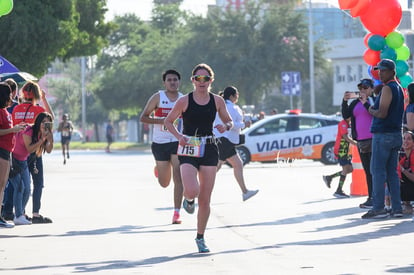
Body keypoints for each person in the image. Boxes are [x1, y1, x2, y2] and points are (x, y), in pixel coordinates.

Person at [164, 63, 233, 253]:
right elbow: (168, 121)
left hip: (209, 146)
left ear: (211, 80)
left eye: (206, 78)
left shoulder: (217, 101)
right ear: (193, 81)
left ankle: (200, 237)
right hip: (189, 146)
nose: (202, 82)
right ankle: (188, 200)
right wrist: (179, 137)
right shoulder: (184, 101)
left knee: (205, 199)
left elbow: (229, 120)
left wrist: (225, 126)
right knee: (192, 190)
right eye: (198, 78)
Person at [139, 69, 184, 224]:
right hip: (160, 143)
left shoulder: (184, 99)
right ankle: (160, 169)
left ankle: (177, 213)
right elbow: (143, 118)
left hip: (177, 141)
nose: (173, 82)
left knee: (179, 176)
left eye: (175, 79)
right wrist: (162, 121)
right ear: (164, 83)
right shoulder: (158, 97)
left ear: (179, 81)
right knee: (164, 183)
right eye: (169, 80)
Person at [362, 59, 404, 219]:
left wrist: (370, 108)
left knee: (377, 171)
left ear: (392, 72)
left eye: (384, 70)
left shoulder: (388, 88)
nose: (380, 73)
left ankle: (378, 207)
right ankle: (397, 208)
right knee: (392, 173)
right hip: (395, 134)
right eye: (379, 70)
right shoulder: (399, 88)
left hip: (384, 135)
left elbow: (382, 113)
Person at [10, 81, 55, 223]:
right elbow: (51, 117)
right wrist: (44, 98)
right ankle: (35, 213)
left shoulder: (16, 109)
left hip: (17, 149)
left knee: (19, 184)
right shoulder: (38, 111)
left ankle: (19, 212)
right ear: (36, 94)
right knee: (37, 183)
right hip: (33, 150)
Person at [213, 86, 258, 201]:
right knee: (216, 167)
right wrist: (245, 124)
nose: (238, 96)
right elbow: (232, 124)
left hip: (222, 139)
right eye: (236, 94)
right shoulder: (232, 107)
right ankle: (198, 190)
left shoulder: (223, 106)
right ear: (232, 96)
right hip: (225, 140)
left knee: (235, 164)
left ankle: (245, 191)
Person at [341, 79, 375, 208]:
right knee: (367, 170)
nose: (362, 90)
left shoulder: (374, 100)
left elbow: (375, 112)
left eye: (365, 88)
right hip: (360, 141)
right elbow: (346, 115)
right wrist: (344, 101)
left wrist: (365, 102)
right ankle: (371, 197)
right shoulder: (356, 102)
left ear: (372, 89)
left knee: (374, 170)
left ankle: (377, 198)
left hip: (373, 140)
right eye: (360, 88)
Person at [0, 82, 26, 228]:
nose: (11, 97)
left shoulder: (6, 111)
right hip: (1, 151)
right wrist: (12, 130)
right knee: (1, 185)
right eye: (9, 94)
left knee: (2, 185)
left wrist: (17, 128)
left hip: (7, 151)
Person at [323, 117, 357, 198]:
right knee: (345, 169)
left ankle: (329, 177)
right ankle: (339, 190)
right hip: (341, 150)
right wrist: (356, 143)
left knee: (350, 169)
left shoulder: (349, 123)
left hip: (346, 150)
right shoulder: (343, 124)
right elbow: (345, 136)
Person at [397, 131, 414, 215]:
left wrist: (402, 169)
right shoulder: (400, 154)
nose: (405, 141)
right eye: (404, 139)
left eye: (409, 139)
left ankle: (408, 205)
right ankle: (389, 205)